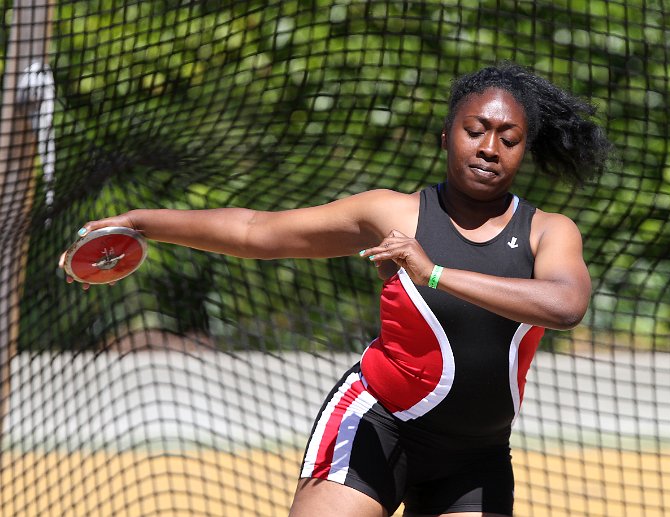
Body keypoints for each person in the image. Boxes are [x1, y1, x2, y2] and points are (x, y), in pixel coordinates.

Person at [61, 63, 611, 517]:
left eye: (508, 139)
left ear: (524, 149)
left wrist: (434, 274)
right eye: (475, 131)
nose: (489, 147)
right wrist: (141, 221)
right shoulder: (393, 213)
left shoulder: (548, 230)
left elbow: (566, 306)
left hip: (477, 455)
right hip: (377, 424)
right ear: (445, 136)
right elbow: (258, 231)